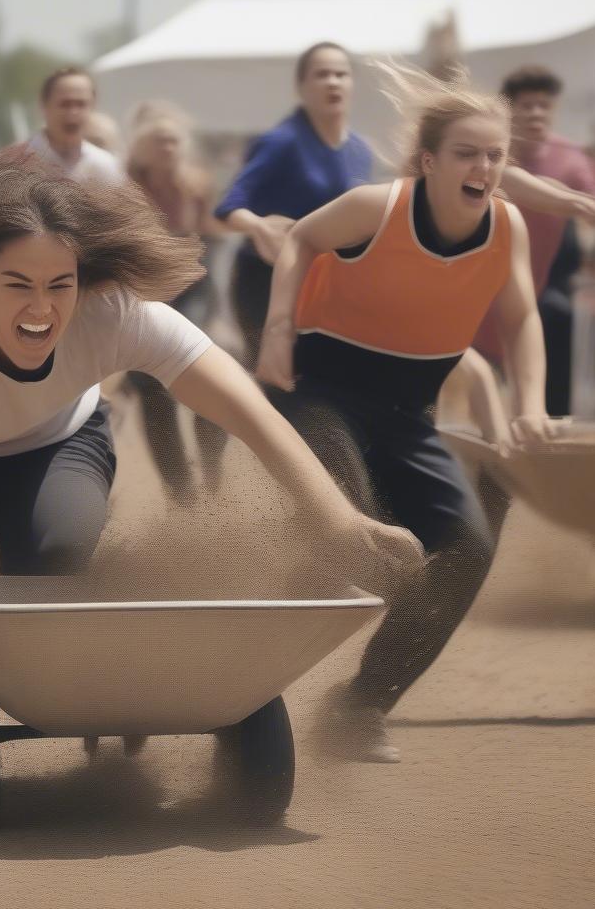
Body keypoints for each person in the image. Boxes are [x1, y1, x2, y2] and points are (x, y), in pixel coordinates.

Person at [0, 151, 423, 774]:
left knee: (56, 569)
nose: (41, 310)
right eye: (17, 285)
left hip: (53, 441)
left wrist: (335, 517)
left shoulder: (110, 309)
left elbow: (247, 411)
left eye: (59, 285)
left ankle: (85, 704)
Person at [257, 61, 552, 763]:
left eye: (495, 156)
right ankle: (276, 599)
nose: (484, 167)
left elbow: (523, 319)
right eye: (467, 154)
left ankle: (360, 707)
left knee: (467, 553)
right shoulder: (377, 207)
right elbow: (299, 238)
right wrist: (276, 331)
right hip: (320, 392)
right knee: (356, 536)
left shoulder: (504, 226)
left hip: (407, 413)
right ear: (429, 161)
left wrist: (531, 405)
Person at [215, 43, 373, 367]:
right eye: (322, 74)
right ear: (301, 87)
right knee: (277, 386)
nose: (333, 82)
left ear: (352, 84)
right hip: (267, 281)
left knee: (323, 385)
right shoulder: (281, 142)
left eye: (341, 74)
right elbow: (229, 208)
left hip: (329, 286)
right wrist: (258, 226)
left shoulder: (360, 150)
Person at [473, 65, 595, 415]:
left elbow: (593, 205)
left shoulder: (570, 158)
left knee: (551, 344)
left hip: (536, 289)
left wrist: (580, 202)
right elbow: (508, 181)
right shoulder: (487, 150)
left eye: (544, 105)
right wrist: (566, 199)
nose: (536, 113)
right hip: (477, 286)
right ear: (509, 110)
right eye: (526, 105)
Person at [125, 108, 226, 500]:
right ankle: (178, 488)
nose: (167, 147)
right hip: (144, 290)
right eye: (159, 140)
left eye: (173, 140)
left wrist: (248, 223)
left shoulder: (196, 184)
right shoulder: (128, 189)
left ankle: (212, 462)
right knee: (150, 386)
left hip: (192, 285)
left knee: (204, 367)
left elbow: (211, 235)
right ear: (142, 149)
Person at [22, 68, 126, 186]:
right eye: (65, 104)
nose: (73, 112)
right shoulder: (18, 165)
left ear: (93, 107)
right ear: (44, 106)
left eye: (81, 104)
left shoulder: (106, 166)